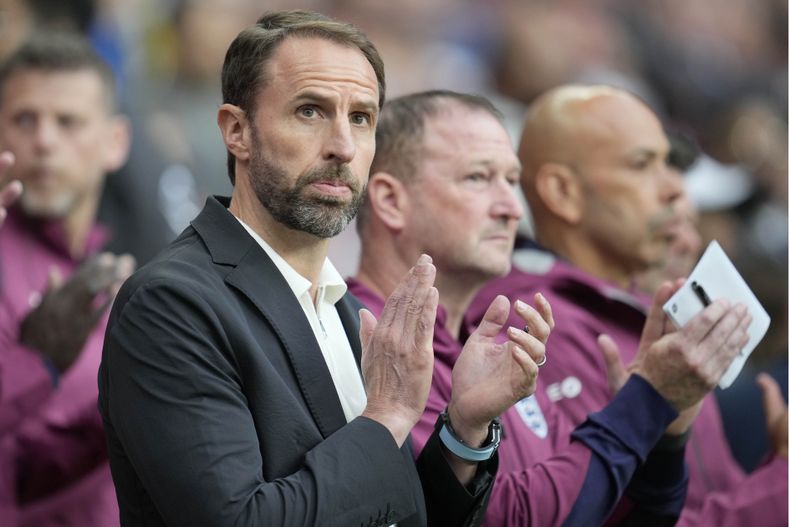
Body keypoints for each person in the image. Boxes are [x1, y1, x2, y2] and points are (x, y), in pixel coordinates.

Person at [99, 11, 539, 526]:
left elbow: (384, 510)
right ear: (236, 130)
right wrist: (387, 419)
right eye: (310, 111)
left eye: (361, 118)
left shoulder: (344, 308)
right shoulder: (171, 304)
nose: (343, 147)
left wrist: (463, 430)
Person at [349, 89, 755, 526]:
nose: (510, 208)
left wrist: (665, 438)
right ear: (391, 200)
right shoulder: (362, 338)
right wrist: (646, 402)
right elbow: (504, 517)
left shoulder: (498, 341)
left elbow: (610, 516)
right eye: (478, 178)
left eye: (510, 180)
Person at [469, 84, 788, 525]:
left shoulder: (655, 307)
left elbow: (712, 494)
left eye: (669, 165)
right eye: (643, 165)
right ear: (563, 192)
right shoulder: (523, 327)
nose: (677, 189)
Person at [0, 34, 134, 526]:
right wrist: (36, 363)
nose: (44, 141)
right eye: (24, 119)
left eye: (68, 122)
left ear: (115, 142)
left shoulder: (112, 274)